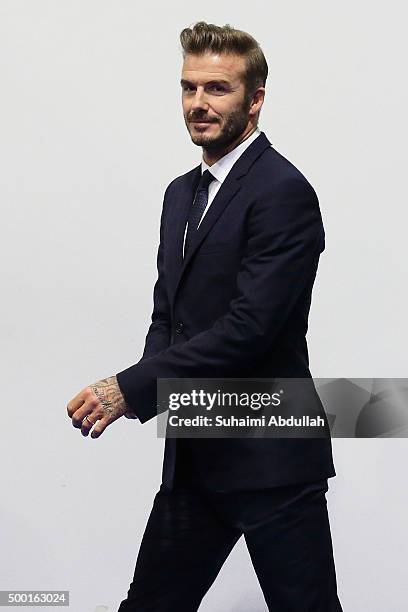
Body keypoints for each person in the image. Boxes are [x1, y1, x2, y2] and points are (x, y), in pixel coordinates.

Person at [66, 21, 343, 611]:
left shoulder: (283, 191)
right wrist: (147, 389)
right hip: (196, 449)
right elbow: (170, 314)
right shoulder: (178, 193)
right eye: (189, 88)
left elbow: (250, 329)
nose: (198, 104)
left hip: (272, 454)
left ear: (255, 99)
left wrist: (128, 388)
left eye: (217, 89)